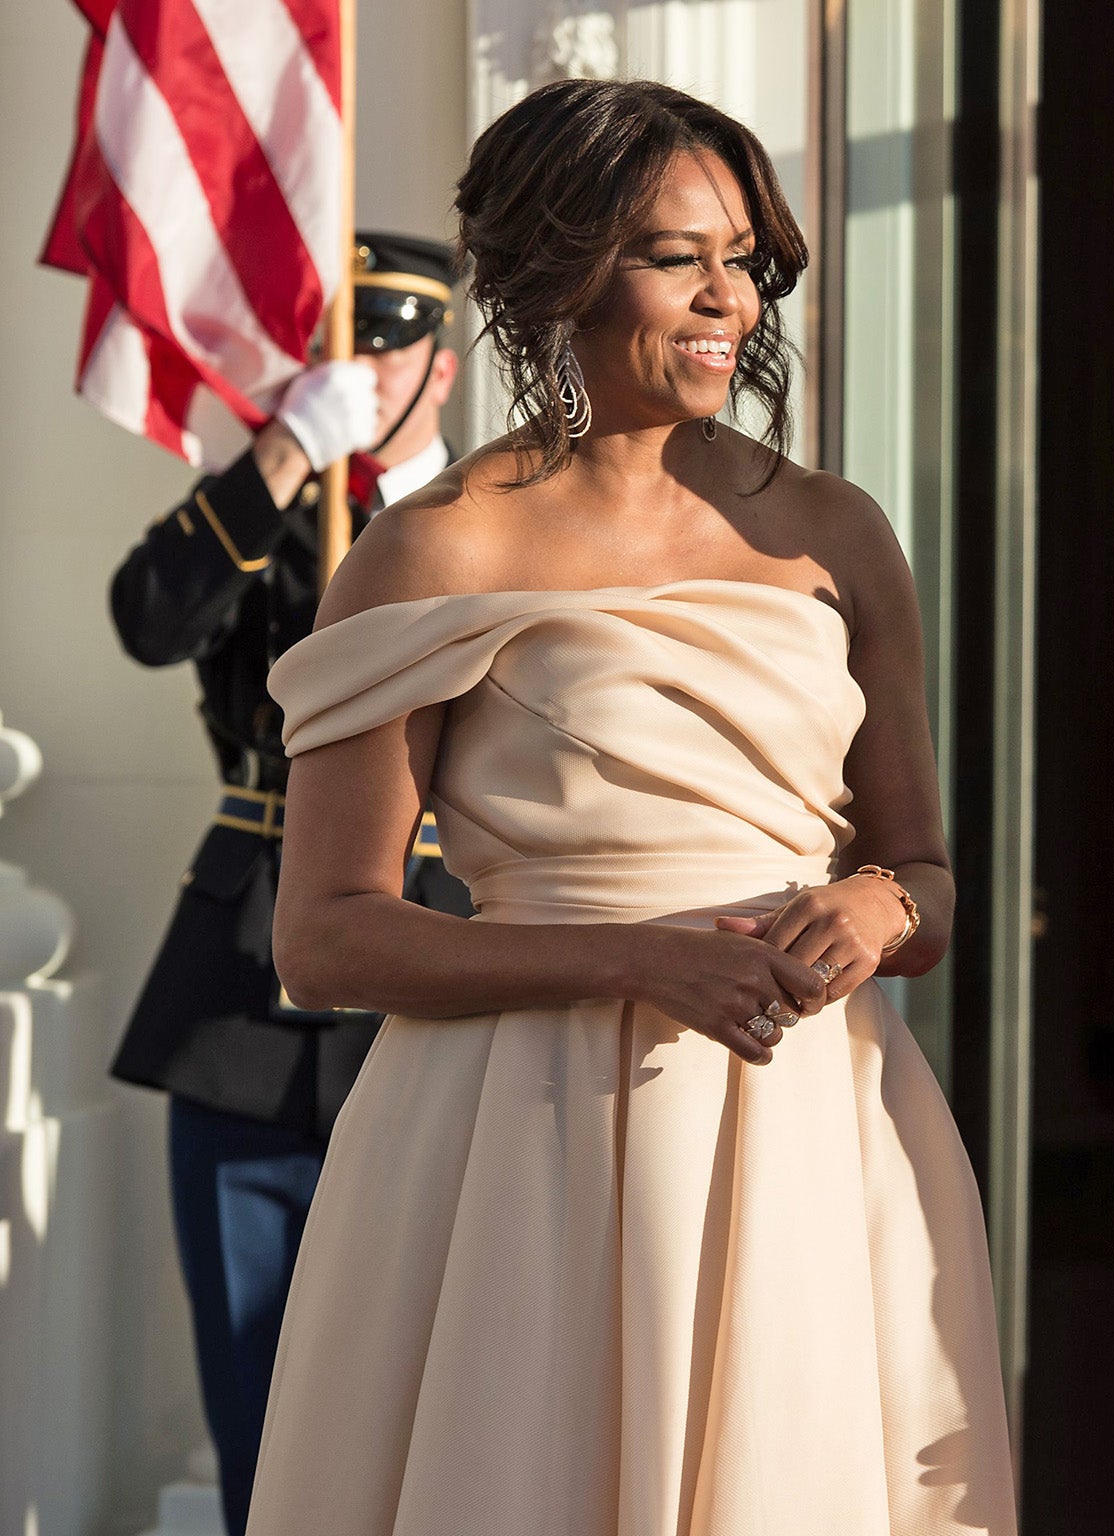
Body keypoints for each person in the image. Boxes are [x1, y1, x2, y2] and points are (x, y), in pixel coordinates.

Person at [242, 79, 1016, 1534]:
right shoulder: (433, 548)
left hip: (810, 1133)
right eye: (682, 256)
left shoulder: (835, 530)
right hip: (519, 1148)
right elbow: (328, 940)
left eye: (747, 257)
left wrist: (882, 901)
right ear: (564, 264)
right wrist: (635, 958)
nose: (733, 297)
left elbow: (925, 873)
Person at [107, 233, 471, 1536]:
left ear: (443, 360)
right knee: (259, 1403)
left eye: (387, 349)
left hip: (442, 982)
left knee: (448, 1400)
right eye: (337, 352)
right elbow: (151, 617)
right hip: (248, 1003)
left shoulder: (492, 523)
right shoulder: (271, 510)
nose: (361, 377)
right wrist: (276, 460)